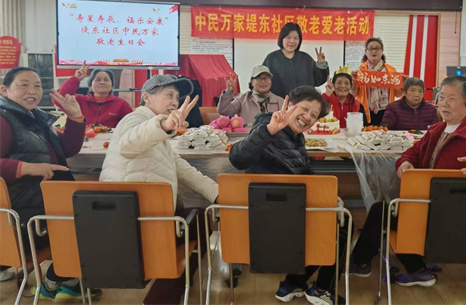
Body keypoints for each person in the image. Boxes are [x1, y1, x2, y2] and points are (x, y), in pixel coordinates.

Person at [349, 76, 466, 287]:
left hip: (451, 216)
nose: (444, 103)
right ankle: (411, 268)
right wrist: (405, 162)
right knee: (384, 211)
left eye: (451, 98)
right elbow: (412, 152)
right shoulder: (437, 130)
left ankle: (367, 263)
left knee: (382, 213)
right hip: (429, 207)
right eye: (441, 97)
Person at [100, 74, 218, 304]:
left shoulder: (157, 133)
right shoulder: (134, 120)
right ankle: (163, 295)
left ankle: (168, 289)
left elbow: (181, 168)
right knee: (199, 222)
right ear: (147, 98)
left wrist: (217, 193)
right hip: (132, 220)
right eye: (169, 95)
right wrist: (164, 125)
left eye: (177, 96)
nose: (174, 101)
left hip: (143, 215)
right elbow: (128, 144)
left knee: (199, 219)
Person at [229, 86, 348, 305]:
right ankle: (321, 288)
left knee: (338, 213)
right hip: (270, 218)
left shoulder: (296, 136)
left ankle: (292, 284)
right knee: (341, 226)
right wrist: (269, 130)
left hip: (287, 209)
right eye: (305, 109)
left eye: (314, 115)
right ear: (290, 105)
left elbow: (304, 171)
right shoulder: (266, 125)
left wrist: (327, 194)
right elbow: (238, 159)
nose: (308, 117)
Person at [0, 67, 93, 299]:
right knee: (95, 221)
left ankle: (67, 278)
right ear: (4, 90)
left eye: (37, 86)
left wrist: (75, 117)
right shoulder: (3, 119)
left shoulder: (33, 117)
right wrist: (28, 168)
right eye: (23, 85)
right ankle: (55, 279)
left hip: (45, 204)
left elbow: (66, 149)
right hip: (25, 218)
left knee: (95, 212)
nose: (32, 91)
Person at [54, 62, 132, 128]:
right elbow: (59, 99)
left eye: (106, 80)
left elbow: (132, 124)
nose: (102, 82)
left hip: (111, 140)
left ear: (112, 85)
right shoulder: (79, 100)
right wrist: (76, 79)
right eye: (98, 80)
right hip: (82, 139)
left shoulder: (122, 105)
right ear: (90, 86)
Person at [263, 22, 329, 98]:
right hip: (279, 103)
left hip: (305, 102)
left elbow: (319, 80)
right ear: (282, 38)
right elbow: (261, 81)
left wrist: (321, 64)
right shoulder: (271, 59)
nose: (292, 41)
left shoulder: (306, 59)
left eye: (295, 38)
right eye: (288, 37)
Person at [355, 37, 401, 126]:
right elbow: (354, 93)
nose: (374, 51)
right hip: (365, 111)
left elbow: (397, 94)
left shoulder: (391, 70)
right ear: (366, 52)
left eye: (377, 48)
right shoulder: (359, 70)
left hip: (386, 111)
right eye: (371, 48)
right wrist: (353, 81)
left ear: (382, 51)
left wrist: (403, 84)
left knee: (385, 133)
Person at [217, 65, 284, 124]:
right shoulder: (243, 99)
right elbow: (223, 111)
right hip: (249, 134)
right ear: (252, 82)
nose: (263, 81)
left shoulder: (280, 101)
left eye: (266, 78)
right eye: (259, 78)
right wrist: (229, 92)